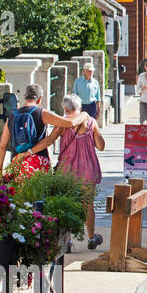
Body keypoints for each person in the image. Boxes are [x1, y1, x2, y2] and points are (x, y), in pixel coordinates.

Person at [34, 93, 105, 249]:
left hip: (67, 170)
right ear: (79, 107)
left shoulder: (62, 124)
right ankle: (92, 237)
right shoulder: (91, 122)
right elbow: (101, 146)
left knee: (66, 204)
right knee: (88, 205)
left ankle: (68, 240)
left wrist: (29, 152)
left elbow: (48, 141)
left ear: (65, 109)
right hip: (88, 169)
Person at [0, 84, 89, 178]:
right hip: (38, 162)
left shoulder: (12, 116)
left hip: (18, 163)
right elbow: (70, 123)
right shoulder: (42, 113)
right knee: (41, 193)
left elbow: (2, 147)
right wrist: (84, 114)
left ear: (24, 97)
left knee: (21, 192)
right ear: (40, 99)